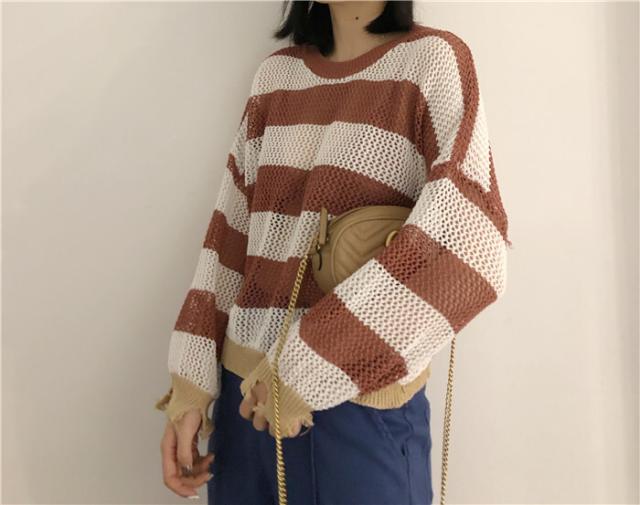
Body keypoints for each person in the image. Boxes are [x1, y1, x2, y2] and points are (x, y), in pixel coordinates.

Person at [156, 1, 511, 503]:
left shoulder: (431, 61)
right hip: (244, 404)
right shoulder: (275, 78)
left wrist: (307, 367)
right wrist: (190, 386)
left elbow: (471, 244)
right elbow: (230, 237)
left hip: (358, 408)